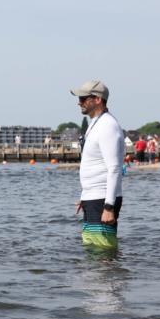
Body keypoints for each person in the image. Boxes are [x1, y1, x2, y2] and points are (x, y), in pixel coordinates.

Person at [71, 81, 124, 250]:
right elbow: (93, 163)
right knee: (92, 247)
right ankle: (99, 277)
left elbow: (114, 168)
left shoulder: (108, 126)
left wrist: (109, 206)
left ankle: (111, 277)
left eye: (83, 98)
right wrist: (85, 195)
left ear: (98, 99)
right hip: (93, 196)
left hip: (102, 199)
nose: (79, 102)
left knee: (103, 250)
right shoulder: (96, 123)